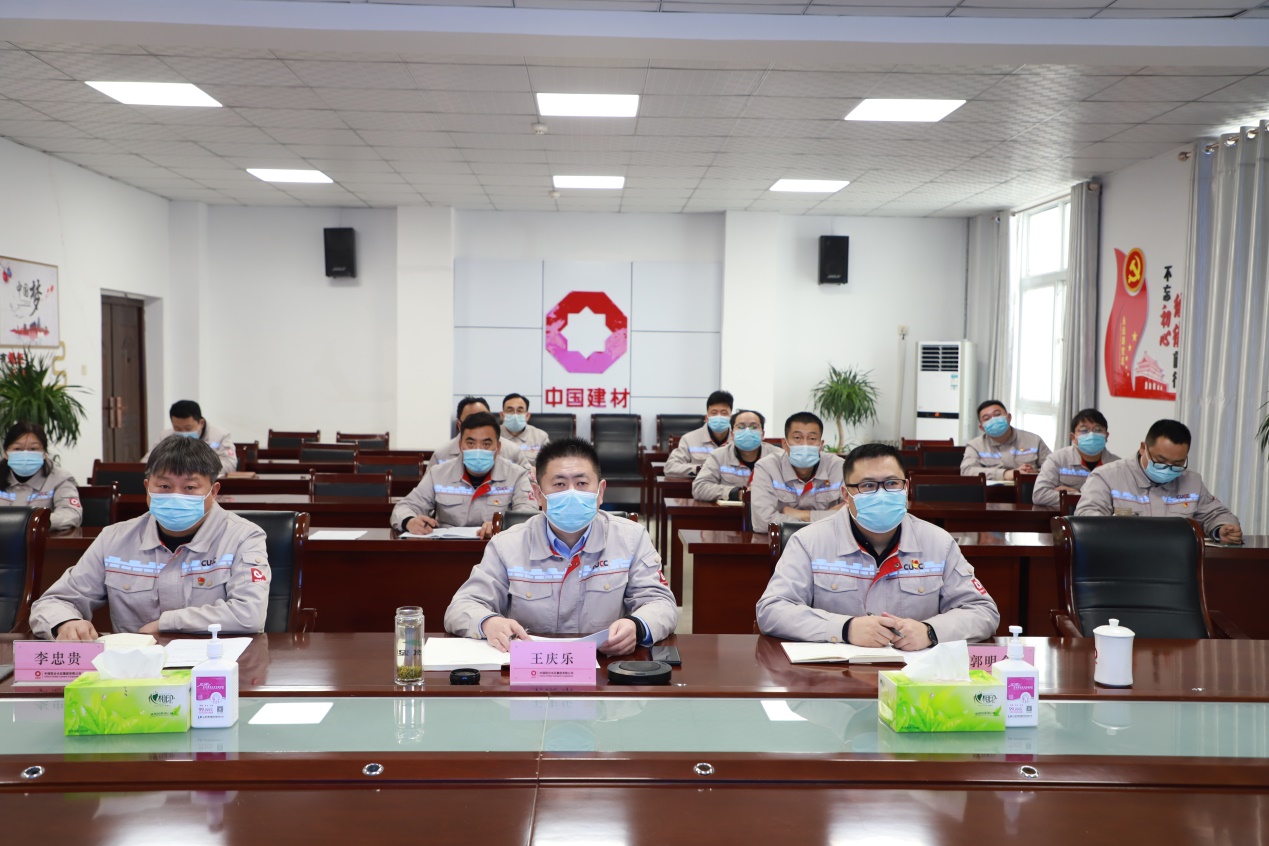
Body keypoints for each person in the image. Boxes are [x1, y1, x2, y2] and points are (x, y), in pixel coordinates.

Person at [444, 437, 678, 655]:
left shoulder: (631, 538)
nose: (571, 493)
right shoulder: (507, 545)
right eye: (559, 484)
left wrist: (637, 626)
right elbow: (462, 606)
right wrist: (488, 622)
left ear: (600, 492)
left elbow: (661, 603)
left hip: (605, 666)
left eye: (582, 483)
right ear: (537, 494)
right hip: (530, 666)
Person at [757, 443, 1000, 645]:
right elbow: (772, 609)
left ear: (906, 488)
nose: (882, 494)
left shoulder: (939, 543)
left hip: (914, 677)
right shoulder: (809, 541)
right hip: (835, 676)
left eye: (892, 483)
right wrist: (844, 629)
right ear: (846, 495)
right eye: (868, 485)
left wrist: (931, 631)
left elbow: (982, 611)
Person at [30, 437, 270, 641]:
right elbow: (53, 602)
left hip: (217, 666)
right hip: (134, 670)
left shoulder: (242, 537)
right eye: (164, 486)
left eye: (189, 488)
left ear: (213, 491)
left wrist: (169, 623)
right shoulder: (114, 539)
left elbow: (249, 613)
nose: (175, 496)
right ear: (147, 488)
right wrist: (66, 622)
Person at [1075, 419, 1242, 543]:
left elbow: (1217, 514)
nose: (1168, 468)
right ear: (1143, 448)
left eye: (1177, 464)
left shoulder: (1192, 481)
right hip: (1121, 561)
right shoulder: (1107, 476)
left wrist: (1222, 528)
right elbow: (1087, 518)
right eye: (1160, 461)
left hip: (1175, 563)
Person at [392, 411, 536, 540]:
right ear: (461, 445)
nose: (478, 450)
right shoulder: (438, 474)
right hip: (448, 551)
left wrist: (502, 524)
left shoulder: (516, 475)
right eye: (471, 443)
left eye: (486, 444)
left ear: (498, 447)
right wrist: (409, 521)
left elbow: (528, 514)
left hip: (498, 548)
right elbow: (404, 507)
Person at [750, 411, 845, 530]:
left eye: (812, 438)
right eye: (797, 438)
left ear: (821, 445)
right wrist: (827, 518)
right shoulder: (766, 467)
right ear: (784, 444)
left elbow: (851, 516)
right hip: (782, 541)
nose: (805, 444)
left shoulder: (839, 467)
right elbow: (762, 522)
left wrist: (800, 515)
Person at [1, 421, 82, 531]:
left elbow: (71, 514)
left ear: (44, 453)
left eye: (33, 449)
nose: (25, 454)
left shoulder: (60, 479)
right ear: (6, 453)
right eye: (17, 449)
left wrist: (35, 522)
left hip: (41, 538)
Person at [1032, 408, 1119, 508]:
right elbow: (1040, 494)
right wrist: (1088, 497)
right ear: (1073, 437)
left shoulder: (1117, 466)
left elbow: (1124, 500)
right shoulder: (1057, 459)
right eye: (1084, 430)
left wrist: (1076, 495)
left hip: (1103, 517)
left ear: (1106, 436)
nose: (1091, 435)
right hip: (1066, 517)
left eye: (1098, 430)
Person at [691, 409, 782, 502]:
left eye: (753, 427)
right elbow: (699, 488)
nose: (747, 431)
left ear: (762, 434)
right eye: (741, 427)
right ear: (732, 435)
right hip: (732, 510)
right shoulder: (718, 456)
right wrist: (737, 493)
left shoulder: (780, 457)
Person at [426, 396, 532, 474]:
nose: (478, 426)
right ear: (459, 425)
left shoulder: (513, 451)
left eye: (483, 420)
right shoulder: (441, 455)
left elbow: (529, 485)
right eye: (471, 421)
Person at [142, 400, 237, 477]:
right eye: (178, 428)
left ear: (201, 423)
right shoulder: (165, 436)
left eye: (188, 428)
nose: (183, 433)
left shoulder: (220, 435)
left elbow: (230, 464)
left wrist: (195, 468)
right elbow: (146, 462)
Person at [961, 400, 1051, 481]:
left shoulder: (1033, 440)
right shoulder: (975, 446)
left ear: (1009, 417)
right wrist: (1005, 474)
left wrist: (1036, 472)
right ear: (982, 427)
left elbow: (1053, 468)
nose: (994, 420)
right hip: (992, 492)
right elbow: (967, 471)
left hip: (1029, 491)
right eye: (987, 418)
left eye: (997, 414)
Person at [664, 390, 734, 476]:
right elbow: (670, 467)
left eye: (724, 413)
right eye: (714, 413)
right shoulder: (689, 439)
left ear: (731, 417)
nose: (719, 417)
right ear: (707, 417)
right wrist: (699, 469)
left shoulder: (738, 440)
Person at [499, 393, 551, 466]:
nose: (515, 415)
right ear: (502, 415)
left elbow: (548, 465)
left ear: (527, 416)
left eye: (519, 411)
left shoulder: (541, 437)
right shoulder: (493, 435)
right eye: (510, 410)